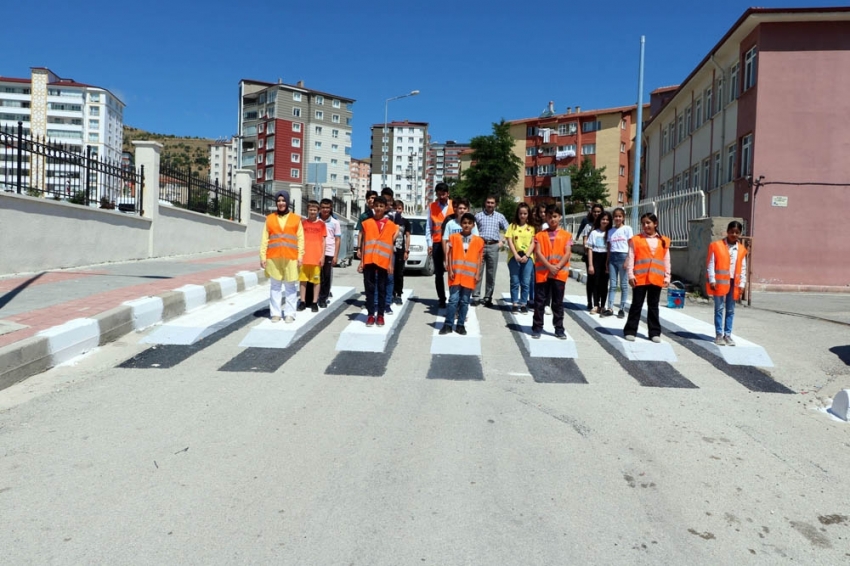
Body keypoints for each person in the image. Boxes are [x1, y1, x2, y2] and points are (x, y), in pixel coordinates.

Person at [623, 213, 671, 343]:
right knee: (636, 305)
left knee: (653, 306)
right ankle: (630, 330)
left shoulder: (663, 240)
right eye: (643, 223)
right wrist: (631, 275)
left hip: (656, 278)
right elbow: (631, 257)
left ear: (655, 224)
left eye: (648, 223)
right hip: (640, 278)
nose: (645, 225)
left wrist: (667, 276)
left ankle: (654, 332)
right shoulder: (636, 239)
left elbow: (666, 259)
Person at [260, 190, 304, 323]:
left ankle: (290, 313)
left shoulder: (296, 219)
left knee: (290, 286)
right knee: (275, 286)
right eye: (279, 201)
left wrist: (300, 255)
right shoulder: (270, 218)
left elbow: (301, 238)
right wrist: (262, 256)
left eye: (283, 200)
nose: (281, 203)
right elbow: (264, 239)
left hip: (291, 257)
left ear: (287, 202)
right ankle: (276, 313)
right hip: (273, 257)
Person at [531, 205, 572, 340]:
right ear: (546, 218)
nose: (552, 219)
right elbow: (538, 252)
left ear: (559, 217)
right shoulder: (540, 235)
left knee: (558, 303)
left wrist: (557, 267)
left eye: (555, 216)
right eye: (549, 216)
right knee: (540, 302)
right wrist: (549, 267)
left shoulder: (566, 235)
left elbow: (567, 253)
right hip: (543, 274)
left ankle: (559, 328)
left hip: (559, 274)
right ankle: (537, 327)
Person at [357, 196, 398, 327]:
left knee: (382, 288)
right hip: (369, 260)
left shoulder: (391, 226)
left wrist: (391, 263)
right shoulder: (367, 223)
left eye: (381, 206)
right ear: (373, 207)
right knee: (369, 289)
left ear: (386, 208)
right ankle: (370, 315)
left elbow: (391, 246)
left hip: (383, 261)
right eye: (377, 206)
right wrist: (361, 262)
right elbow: (364, 243)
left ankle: (380, 315)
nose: (379, 208)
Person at [440, 213, 483, 336]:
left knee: (464, 301)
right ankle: (448, 324)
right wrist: (450, 269)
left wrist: (477, 273)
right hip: (456, 274)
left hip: (469, 276)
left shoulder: (479, 241)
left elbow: (479, 258)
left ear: (473, 225)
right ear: (460, 224)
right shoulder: (453, 237)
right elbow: (449, 254)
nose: (467, 225)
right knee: (453, 300)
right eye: (464, 223)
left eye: (469, 223)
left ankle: (460, 325)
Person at [706, 220, 748, 346]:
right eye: (731, 232)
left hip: (734, 283)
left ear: (740, 233)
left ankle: (728, 335)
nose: (734, 234)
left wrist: (742, 284)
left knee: (730, 310)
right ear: (727, 232)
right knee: (719, 308)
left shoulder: (741, 249)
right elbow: (711, 264)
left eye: (737, 232)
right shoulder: (716, 245)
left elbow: (743, 268)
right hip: (719, 282)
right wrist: (712, 279)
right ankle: (719, 334)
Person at [473, 195, 509, 307]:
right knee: (478, 271)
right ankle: (476, 296)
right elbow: (471, 229)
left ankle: (488, 297)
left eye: (492, 203)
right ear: (485, 203)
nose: (490, 205)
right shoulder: (478, 216)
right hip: (480, 246)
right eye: (488, 202)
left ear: (495, 204)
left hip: (494, 246)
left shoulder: (500, 216)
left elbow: (509, 230)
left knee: (491, 274)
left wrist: (502, 242)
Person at [601, 207, 633, 318]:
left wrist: (628, 260)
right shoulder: (610, 231)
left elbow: (630, 246)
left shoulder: (627, 229)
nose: (617, 218)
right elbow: (609, 247)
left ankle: (622, 308)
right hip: (613, 258)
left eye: (620, 216)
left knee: (623, 285)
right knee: (613, 284)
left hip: (623, 256)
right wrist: (607, 261)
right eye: (615, 216)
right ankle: (610, 307)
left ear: (623, 217)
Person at [426, 182, 454, 308]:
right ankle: (441, 299)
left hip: (452, 243)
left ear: (448, 193)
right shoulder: (432, 206)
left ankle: (454, 297)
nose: (441, 196)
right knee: (438, 273)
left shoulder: (455, 205)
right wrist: (429, 243)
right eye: (439, 194)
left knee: (453, 270)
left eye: (443, 194)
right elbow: (429, 227)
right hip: (437, 243)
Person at [505, 203, 536, 313]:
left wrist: (527, 255)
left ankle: (523, 303)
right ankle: (514, 302)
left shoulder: (531, 227)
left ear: (528, 214)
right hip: (514, 257)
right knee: (515, 281)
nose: (522, 216)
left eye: (525, 213)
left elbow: (533, 243)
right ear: (517, 214)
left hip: (528, 257)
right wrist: (516, 255)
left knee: (526, 281)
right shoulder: (512, 226)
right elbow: (510, 241)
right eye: (520, 213)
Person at [298, 200, 326, 313]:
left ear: (318, 211)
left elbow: (324, 241)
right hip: (304, 257)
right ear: (307, 210)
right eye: (311, 210)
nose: (313, 212)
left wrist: (322, 256)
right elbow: (299, 240)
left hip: (316, 257)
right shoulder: (303, 223)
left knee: (316, 281)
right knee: (303, 280)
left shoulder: (321, 224)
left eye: (315, 210)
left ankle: (314, 302)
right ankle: (302, 301)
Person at [586, 211, 612, 314]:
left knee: (604, 284)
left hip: (606, 258)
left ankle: (602, 306)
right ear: (599, 220)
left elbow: (610, 249)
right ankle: (595, 305)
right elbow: (590, 249)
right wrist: (591, 265)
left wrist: (607, 263)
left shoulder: (610, 233)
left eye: (607, 219)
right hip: (596, 258)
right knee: (595, 283)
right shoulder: (594, 233)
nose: (605, 221)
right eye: (603, 219)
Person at [580, 204, 604, 310]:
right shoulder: (588, 225)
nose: (596, 214)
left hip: (602, 255)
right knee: (591, 279)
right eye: (595, 211)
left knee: (600, 280)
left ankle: (598, 301)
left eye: (599, 211)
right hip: (590, 255)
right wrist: (587, 249)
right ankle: (590, 301)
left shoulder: (604, 224)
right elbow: (585, 239)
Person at [318, 198, 341, 308]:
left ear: (331, 208)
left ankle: (323, 298)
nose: (325, 210)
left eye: (327, 208)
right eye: (323, 207)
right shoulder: (316, 220)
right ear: (320, 208)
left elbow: (337, 239)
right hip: (316, 251)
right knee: (316, 275)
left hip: (329, 252)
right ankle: (314, 297)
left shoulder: (335, 222)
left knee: (326, 276)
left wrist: (335, 256)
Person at [392, 199, 411, 305]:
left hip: (400, 250)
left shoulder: (405, 222)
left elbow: (407, 236)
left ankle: (399, 294)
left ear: (402, 209)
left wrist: (406, 250)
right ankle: (391, 293)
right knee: (390, 273)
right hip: (390, 250)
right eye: (395, 208)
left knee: (399, 273)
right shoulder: (390, 220)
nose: (397, 210)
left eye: (399, 208)